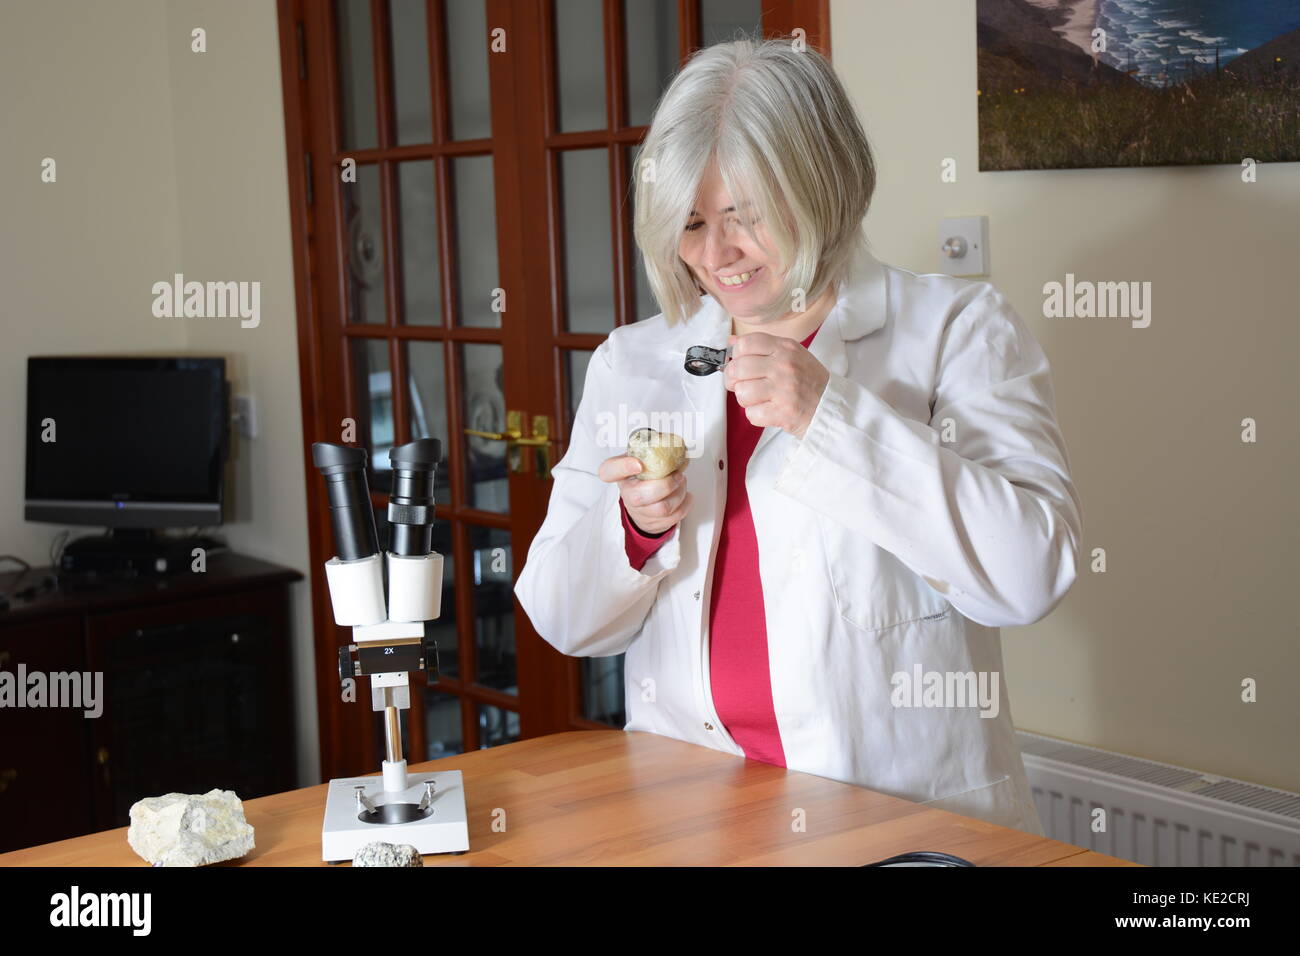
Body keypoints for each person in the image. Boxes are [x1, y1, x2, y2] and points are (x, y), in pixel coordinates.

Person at [514, 36, 1082, 835]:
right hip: (691, 813)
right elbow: (561, 618)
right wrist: (635, 531)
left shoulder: (956, 331)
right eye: (692, 223)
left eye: (744, 217)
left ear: (823, 187)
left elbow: (1032, 572)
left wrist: (832, 418)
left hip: (903, 820)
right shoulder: (635, 361)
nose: (715, 256)